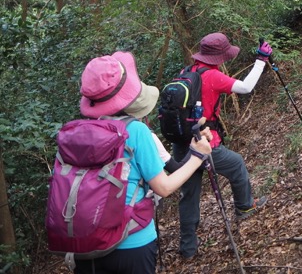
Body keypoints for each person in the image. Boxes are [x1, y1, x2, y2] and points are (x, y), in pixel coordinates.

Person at [74, 51, 213, 274]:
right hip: (132, 241)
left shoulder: (79, 132)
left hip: (85, 245)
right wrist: (197, 156)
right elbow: (164, 187)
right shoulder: (135, 131)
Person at [173, 32, 271, 260]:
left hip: (181, 144)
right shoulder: (212, 76)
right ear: (219, 57)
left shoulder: (185, 72)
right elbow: (246, 87)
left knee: (189, 194)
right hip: (204, 143)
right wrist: (260, 61)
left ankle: (187, 248)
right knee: (236, 164)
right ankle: (245, 207)